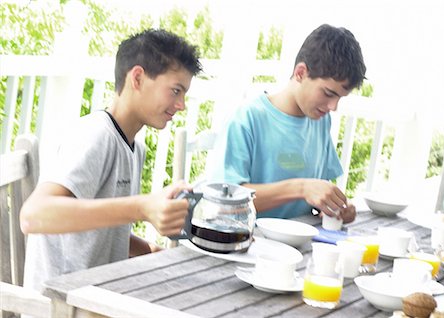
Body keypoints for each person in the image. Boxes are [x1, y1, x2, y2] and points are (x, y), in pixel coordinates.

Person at [20, 29, 202, 293]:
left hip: (97, 297)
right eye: (175, 90)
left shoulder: (134, 147)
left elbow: (98, 235)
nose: (182, 104)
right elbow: (33, 216)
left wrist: (152, 252)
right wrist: (142, 207)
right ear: (137, 78)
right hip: (60, 307)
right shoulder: (95, 136)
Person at [211, 24, 366, 223]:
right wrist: (301, 188)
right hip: (244, 242)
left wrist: (336, 205)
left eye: (340, 98)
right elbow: (225, 201)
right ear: (300, 73)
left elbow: (316, 189)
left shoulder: (320, 121)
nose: (333, 106)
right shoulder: (246, 119)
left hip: (299, 244)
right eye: (328, 93)